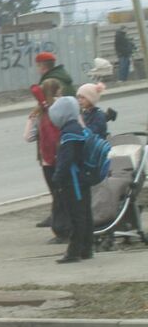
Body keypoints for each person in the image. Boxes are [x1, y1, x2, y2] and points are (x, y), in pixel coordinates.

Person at [50, 96, 93, 264]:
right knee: (86, 214)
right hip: (84, 178)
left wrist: (57, 178)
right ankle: (87, 248)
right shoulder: (80, 128)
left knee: (76, 216)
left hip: (72, 181)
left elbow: (66, 160)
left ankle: (73, 252)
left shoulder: (69, 133)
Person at [25, 78, 66, 241]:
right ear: (57, 91)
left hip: (46, 160)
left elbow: (28, 137)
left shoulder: (39, 111)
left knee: (56, 195)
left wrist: (31, 121)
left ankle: (59, 229)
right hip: (64, 157)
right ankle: (67, 228)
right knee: (65, 195)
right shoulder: (64, 107)